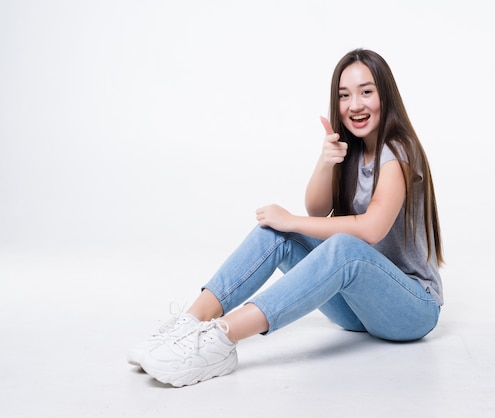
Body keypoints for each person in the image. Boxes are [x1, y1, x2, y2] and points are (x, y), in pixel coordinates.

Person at [127, 48, 444, 387]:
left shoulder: (399, 150)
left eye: (366, 91)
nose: (355, 105)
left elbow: (370, 228)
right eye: (344, 95)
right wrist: (327, 161)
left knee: (341, 247)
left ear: (386, 95)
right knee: (273, 232)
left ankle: (218, 340)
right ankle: (190, 324)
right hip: (360, 309)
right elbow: (318, 211)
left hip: (411, 310)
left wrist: (291, 220)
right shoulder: (352, 149)